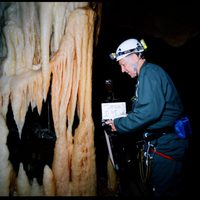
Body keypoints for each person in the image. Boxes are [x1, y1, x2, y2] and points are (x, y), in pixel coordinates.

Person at [106, 38, 191, 198]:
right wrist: (124, 118)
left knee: (164, 191)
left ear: (134, 57)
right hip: (161, 145)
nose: (122, 70)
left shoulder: (150, 73)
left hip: (167, 148)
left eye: (123, 64)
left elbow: (148, 112)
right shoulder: (146, 75)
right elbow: (142, 108)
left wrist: (119, 124)